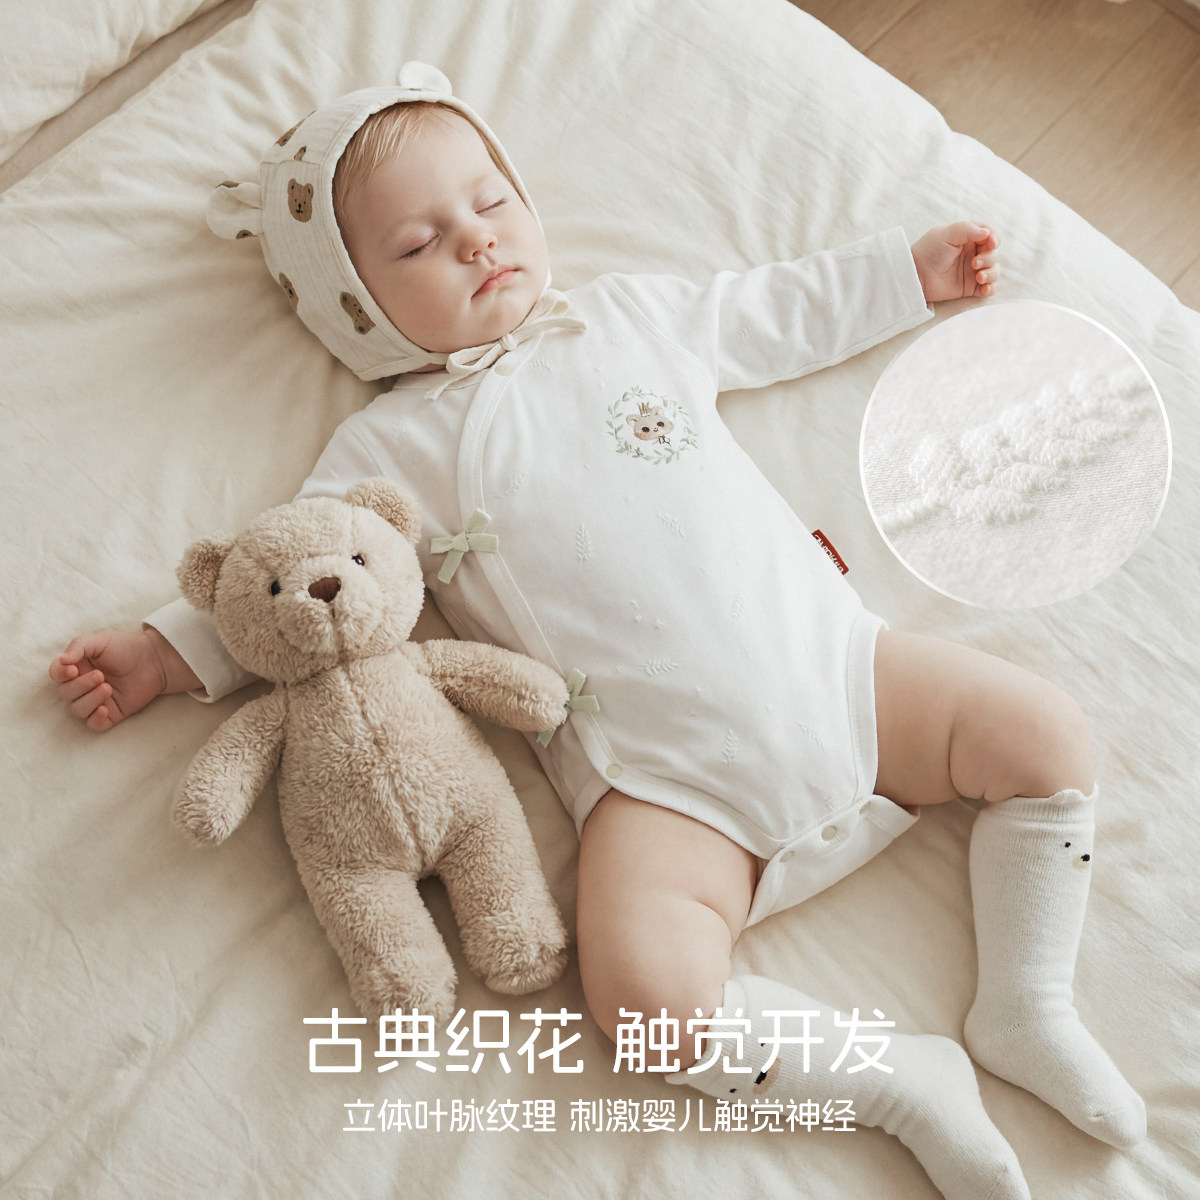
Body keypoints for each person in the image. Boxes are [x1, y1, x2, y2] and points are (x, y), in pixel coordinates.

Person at [49, 63, 1144, 1200]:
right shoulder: (388, 451)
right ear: (353, 305)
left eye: (491, 202)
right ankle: (901, 1082)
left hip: (838, 673)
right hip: (666, 787)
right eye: (419, 245)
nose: (476, 240)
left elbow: (770, 311)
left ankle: (1027, 1001)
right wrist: (163, 653)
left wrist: (903, 277)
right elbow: (300, 580)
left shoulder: (625, 318)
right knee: (645, 1002)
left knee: (1044, 735)